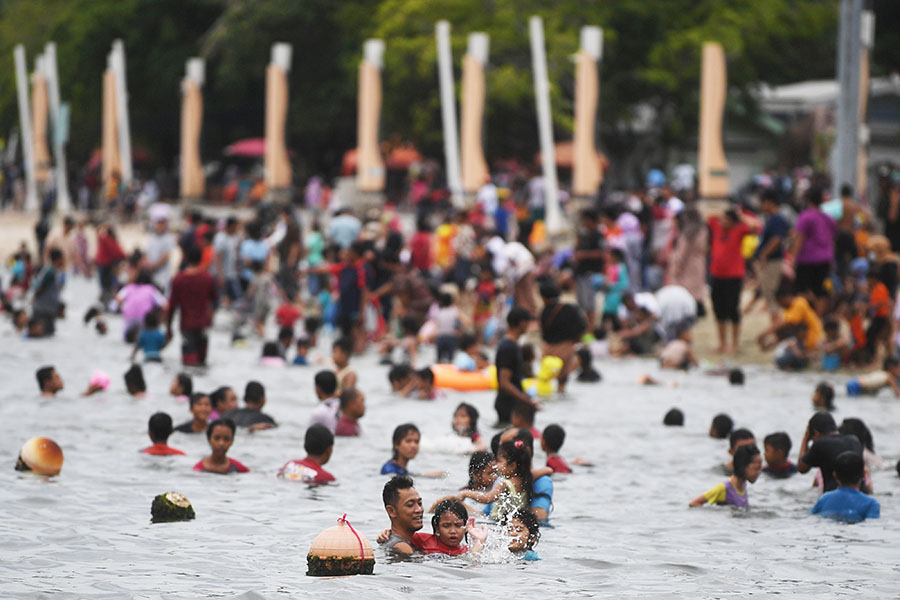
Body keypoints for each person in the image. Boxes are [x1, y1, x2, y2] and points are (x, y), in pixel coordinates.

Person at [708, 209, 754, 353]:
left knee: (733, 309)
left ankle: (734, 344)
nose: (724, 222)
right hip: (716, 275)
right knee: (718, 310)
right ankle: (722, 343)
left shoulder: (739, 230)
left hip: (734, 276)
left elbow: (755, 226)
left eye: (727, 220)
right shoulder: (716, 227)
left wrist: (740, 216)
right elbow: (708, 215)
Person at [459, 440, 532, 523]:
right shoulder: (525, 480)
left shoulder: (504, 484)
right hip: (514, 522)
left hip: (496, 522)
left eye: (500, 462)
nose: (497, 466)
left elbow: (488, 498)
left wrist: (466, 493)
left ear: (512, 465)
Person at [166, 247, 218, 366]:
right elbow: (215, 301)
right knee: (202, 363)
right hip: (203, 325)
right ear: (201, 259)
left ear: (186, 258)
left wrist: (169, 328)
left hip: (186, 326)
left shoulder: (178, 279)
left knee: (188, 364)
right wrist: (211, 319)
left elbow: (172, 306)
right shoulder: (207, 278)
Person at [789, 186, 837, 309]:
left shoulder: (805, 217)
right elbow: (832, 239)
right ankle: (818, 318)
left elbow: (799, 239)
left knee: (801, 290)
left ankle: (806, 317)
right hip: (825, 258)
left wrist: (792, 257)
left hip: (807, 259)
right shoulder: (828, 218)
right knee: (820, 290)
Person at [797, 412, 864, 494]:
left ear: (816, 433)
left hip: (834, 497)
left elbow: (802, 468)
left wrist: (806, 438)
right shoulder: (854, 440)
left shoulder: (820, 443)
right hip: (861, 494)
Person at [539, 282, 587, 393]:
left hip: (547, 349)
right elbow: (582, 326)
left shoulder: (544, 312)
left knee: (547, 379)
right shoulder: (569, 309)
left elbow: (543, 332)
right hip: (566, 347)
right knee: (562, 380)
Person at [495, 307, 539, 425]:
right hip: (508, 404)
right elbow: (505, 382)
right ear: (522, 323)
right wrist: (526, 400)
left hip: (513, 403)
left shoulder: (512, 345)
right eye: (528, 322)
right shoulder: (508, 347)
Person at [810, 451, 880, 523]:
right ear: (863, 475)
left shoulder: (824, 499)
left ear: (835, 475)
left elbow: (810, 516)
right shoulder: (871, 504)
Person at [753, 189, 790, 324]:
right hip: (770, 261)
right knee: (769, 297)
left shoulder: (777, 220)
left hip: (772, 262)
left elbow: (777, 239)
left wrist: (764, 255)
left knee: (771, 296)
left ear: (769, 202)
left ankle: (777, 329)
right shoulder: (772, 219)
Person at [690, 444, 762, 508]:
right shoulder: (724, 488)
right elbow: (694, 503)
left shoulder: (743, 485)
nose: (759, 472)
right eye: (757, 468)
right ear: (743, 466)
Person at [411, 500, 485, 555]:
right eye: (446, 526)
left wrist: (478, 542)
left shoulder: (465, 551)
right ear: (437, 527)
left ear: (466, 528)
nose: (453, 531)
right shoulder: (422, 540)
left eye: (458, 525)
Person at [573, 209, 606, 332]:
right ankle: (587, 328)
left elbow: (601, 253)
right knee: (583, 303)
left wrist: (583, 255)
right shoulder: (584, 235)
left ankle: (591, 329)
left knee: (590, 304)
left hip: (590, 273)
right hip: (581, 273)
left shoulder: (598, 235)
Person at [116, 269, 168, 341]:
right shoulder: (151, 289)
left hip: (128, 317)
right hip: (145, 319)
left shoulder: (128, 287)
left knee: (126, 337)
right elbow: (164, 305)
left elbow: (118, 299)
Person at [380, 475, 424, 555]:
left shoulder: (389, 540)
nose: (419, 510)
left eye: (420, 503)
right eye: (410, 505)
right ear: (391, 511)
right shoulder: (402, 547)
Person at [31, 248, 66, 336]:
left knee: (48, 334)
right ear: (58, 259)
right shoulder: (50, 272)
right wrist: (34, 298)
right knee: (41, 334)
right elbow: (39, 287)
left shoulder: (54, 271)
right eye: (62, 258)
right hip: (42, 309)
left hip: (49, 309)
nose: (64, 260)